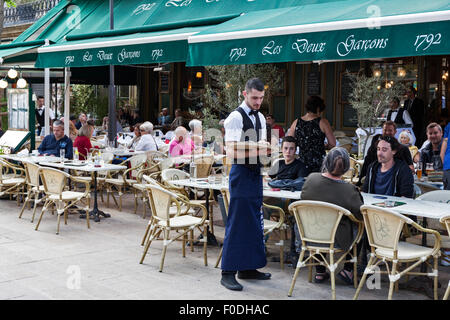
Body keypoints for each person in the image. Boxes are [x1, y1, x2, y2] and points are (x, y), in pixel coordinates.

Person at [221, 77, 272, 291]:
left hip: (255, 173)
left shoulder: (260, 117)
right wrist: (259, 148)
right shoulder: (235, 117)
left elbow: (260, 149)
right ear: (244, 94)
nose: (258, 102)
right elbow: (231, 150)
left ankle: (248, 267)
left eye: (261, 98)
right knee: (237, 221)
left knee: (254, 220)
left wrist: (262, 160)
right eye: (254, 97)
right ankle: (228, 272)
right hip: (240, 173)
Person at [300, 147, 363, 284]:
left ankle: (320, 271)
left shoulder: (311, 179)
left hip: (309, 234)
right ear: (347, 167)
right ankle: (347, 270)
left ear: (326, 162)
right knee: (361, 228)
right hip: (335, 238)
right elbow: (360, 214)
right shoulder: (349, 190)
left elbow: (303, 198)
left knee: (318, 221)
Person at [287, 96, 336, 174]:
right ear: (318, 109)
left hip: (301, 163)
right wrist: (323, 146)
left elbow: (289, 141)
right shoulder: (323, 122)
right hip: (318, 164)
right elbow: (333, 144)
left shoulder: (296, 122)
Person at [358, 121, 414, 186]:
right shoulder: (375, 146)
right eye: (385, 130)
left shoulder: (403, 149)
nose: (387, 132)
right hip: (375, 179)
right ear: (382, 131)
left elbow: (410, 167)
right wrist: (361, 182)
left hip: (394, 181)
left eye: (390, 130)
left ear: (395, 132)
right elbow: (367, 162)